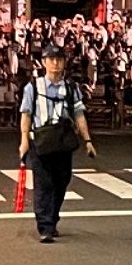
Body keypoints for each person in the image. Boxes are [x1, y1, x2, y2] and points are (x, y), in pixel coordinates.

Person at [18, 44, 97, 243]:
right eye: (51, 59)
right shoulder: (33, 87)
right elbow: (26, 114)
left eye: (59, 59)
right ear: (44, 62)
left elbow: (79, 115)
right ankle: (45, 226)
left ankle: (52, 219)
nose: (55, 63)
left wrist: (87, 140)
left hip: (62, 142)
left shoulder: (71, 88)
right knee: (43, 184)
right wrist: (24, 140)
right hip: (41, 141)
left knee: (62, 181)